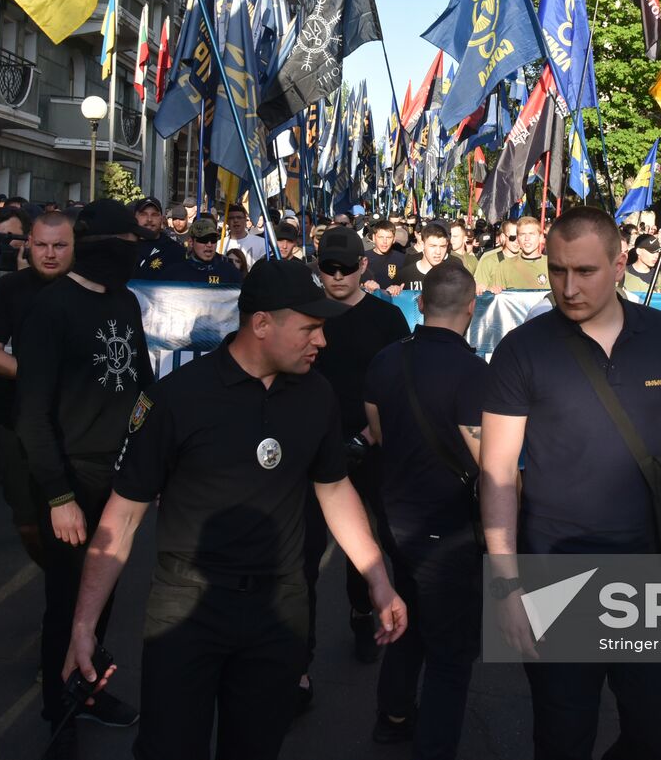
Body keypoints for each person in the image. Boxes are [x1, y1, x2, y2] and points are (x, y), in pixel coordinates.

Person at [62, 259, 409, 760]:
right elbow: (123, 517)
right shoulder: (175, 399)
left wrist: (377, 577)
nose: (322, 342)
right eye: (310, 328)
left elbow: (334, 491)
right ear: (261, 323)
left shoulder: (317, 395)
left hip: (280, 609)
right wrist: (83, 626)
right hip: (187, 608)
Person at [480, 206, 661, 760]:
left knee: (659, 732)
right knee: (561, 736)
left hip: (655, 575)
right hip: (555, 572)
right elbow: (498, 470)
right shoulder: (521, 351)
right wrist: (504, 582)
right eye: (557, 271)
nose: (568, 287)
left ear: (620, 264)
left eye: (585, 271)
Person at [14, 199, 153, 757]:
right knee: (66, 603)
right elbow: (32, 414)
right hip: (72, 481)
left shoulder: (125, 302)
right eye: (126, 245)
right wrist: (59, 496)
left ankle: (90, 688)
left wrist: (147, 459)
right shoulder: (50, 310)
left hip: (120, 480)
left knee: (104, 599)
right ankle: (60, 708)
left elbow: (141, 386)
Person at [362, 261, 485, 755]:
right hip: (450, 527)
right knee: (451, 653)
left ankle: (393, 714)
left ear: (421, 303)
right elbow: (487, 463)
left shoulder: (385, 360)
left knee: (405, 612)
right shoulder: (474, 372)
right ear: (472, 309)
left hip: (394, 517)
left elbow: (377, 434)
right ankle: (433, 744)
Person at [308, 226, 412, 686]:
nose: (335, 276)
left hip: (372, 447)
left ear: (362, 266)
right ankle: (298, 659)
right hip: (315, 447)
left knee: (377, 540)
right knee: (303, 553)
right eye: (327, 268)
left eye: (344, 268)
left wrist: (374, 433)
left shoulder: (387, 321)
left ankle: (367, 612)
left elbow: (402, 385)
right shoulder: (307, 315)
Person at [0, 211, 75, 567]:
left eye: (59, 245)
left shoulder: (85, 286)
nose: (49, 253)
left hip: (65, 415)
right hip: (3, 406)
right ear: (31, 244)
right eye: (41, 245)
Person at [166, 217, 242, 284]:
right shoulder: (175, 272)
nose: (209, 245)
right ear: (191, 242)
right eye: (203, 239)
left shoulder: (229, 271)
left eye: (213, 240)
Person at [132, 197, 187, 279]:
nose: (149, 219)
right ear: (135, 217)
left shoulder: (175, 251)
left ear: (162, 218)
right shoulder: (124, 248)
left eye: (154, 215)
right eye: (143, 214)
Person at [398, 223, 452, 291]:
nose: (438, 252)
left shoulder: (452, 275)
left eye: (442, 246)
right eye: (433, 246)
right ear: (423, 245)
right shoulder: (405, 275)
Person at [473, 219, 519, 294]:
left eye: (520, 236)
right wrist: (490, 289)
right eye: (512, 238)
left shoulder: (526, 259)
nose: (517, 241)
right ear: (503, 237)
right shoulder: (488, 260)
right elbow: (479, 290)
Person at [362, 220, 404, 293]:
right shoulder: (363, 258)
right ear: (374, 238)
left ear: (394, 239)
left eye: (388, 237)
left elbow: (405, 283)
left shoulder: (402, 258)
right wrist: (364, 286)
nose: (385, 241)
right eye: (381, 237)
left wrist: (398, 288)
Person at [226, 202, 269, 267]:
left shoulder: (261, 243)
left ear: (245, 220)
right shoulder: (219, 245)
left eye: (239, 217)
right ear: (227, 221)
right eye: (232, 218)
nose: (235, 220)